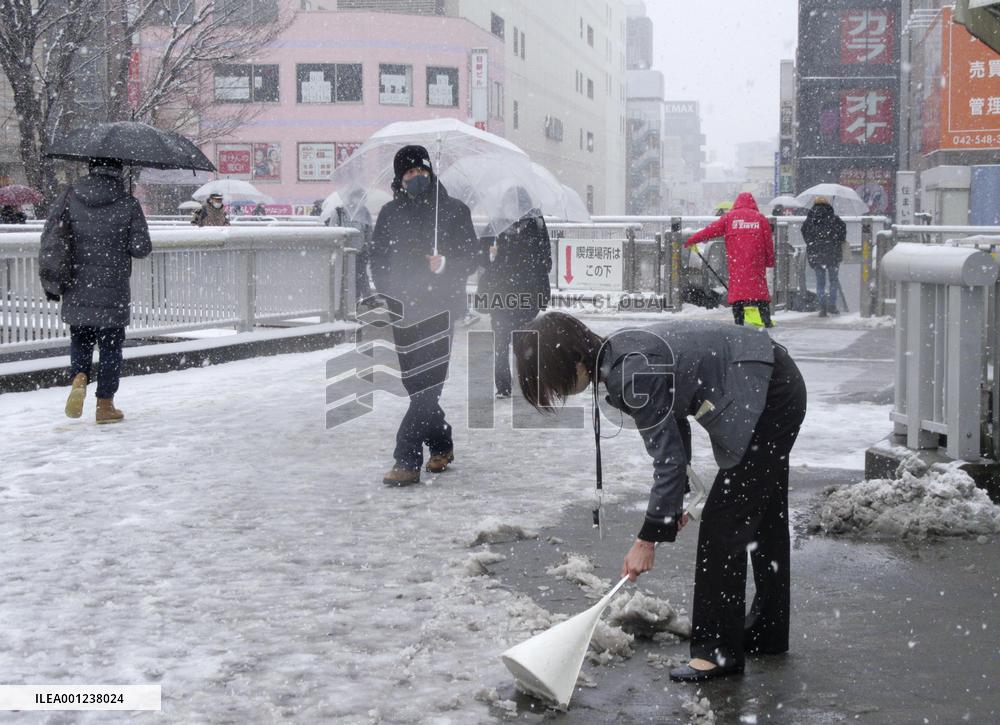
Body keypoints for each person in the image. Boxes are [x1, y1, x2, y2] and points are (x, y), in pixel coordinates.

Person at [513, 311, 807, 683]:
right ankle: (767, 631)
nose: (557, 391)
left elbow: (667, 460)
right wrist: (675, 503)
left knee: (723, 526)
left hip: (768, 393)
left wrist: (648, 537)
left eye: (553, 380)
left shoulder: (628, 372)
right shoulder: (621, 352)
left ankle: (717, 654)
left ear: (573, 360)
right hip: (772, 377)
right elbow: (674, 418)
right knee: (762, 516)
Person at [369, 144, 479, 486]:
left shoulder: (453, 211)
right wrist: (390, 293)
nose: (416, 177)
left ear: (431, 173)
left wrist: (445, 264)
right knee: (416, 386)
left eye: (422, 171)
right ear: (399, 179)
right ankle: (442, 442)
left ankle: (406, 458)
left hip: (440, 310)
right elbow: (378, 260)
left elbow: (472, 257)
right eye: (409, 173)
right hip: (403, 312)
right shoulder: (389, 214)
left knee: (427, 387)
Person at [38, 158, 152, 424]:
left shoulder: (69, 197)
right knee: (111, 347)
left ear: (90, 168)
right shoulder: (127, 203)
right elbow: (141, 248)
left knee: (81, 338)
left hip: (78, 284)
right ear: (118, 172)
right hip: (112, 288)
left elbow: (51, 236)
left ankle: (79, 376)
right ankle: (105, 405)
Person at [476, 186, 552, 398]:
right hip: (503, 293)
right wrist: (490, 255)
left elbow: (546, 260)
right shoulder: (496, 225)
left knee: (520, 342)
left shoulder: (536, 223)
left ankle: (518, 386)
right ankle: (507, 386)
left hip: (524, 294)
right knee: (505, 342)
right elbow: (480, 255)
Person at [685, 193, 775, 328]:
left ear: (737, 203)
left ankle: (738, 324)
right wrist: (769, 261)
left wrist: (692, 240)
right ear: (753, 203)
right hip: (756, 264)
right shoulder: (760, 219)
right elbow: (768, 243)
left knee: (738, 295)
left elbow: (709, 231)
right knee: (759, 294)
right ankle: (766, 321)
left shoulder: (729, 218)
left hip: (737, 264)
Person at [801, 197, 845, 317]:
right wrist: (835, 241)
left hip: (817, 255)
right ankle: (832, 305)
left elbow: (804, 233)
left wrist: (812, 244)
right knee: (833, 281)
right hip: (833, 254)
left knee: (820, 283)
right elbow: (842, 234)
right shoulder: (835, 219)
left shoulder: (810, 220)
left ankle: (822, 307)